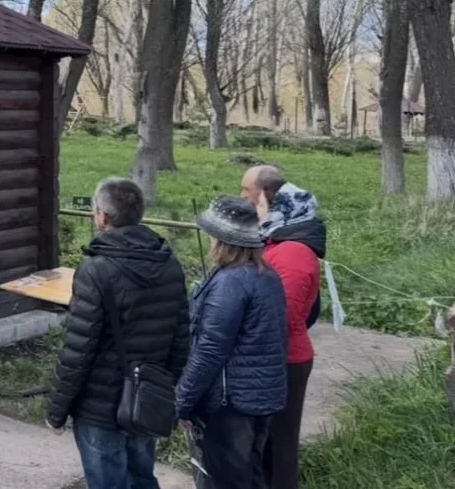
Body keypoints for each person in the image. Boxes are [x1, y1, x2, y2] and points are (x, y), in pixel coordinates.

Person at [45, 178, 190, 489]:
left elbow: (78, 349)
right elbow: (181, 339)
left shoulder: (96, 271)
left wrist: (57, 410)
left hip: (100, 408)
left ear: (103, 217)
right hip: (147, 398)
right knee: (142, 478)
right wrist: (166, 390)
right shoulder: (170, 265)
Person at [178, 197, 288, 489]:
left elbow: (210, 351)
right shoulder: (267, 277)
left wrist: (183, 401)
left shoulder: (230, 283)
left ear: (222, 241)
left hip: (231, 403)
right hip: (262, 397)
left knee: (225, 480)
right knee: (250, 476)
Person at [241, 166, 323, 489]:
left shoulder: (291, 251)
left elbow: (281, 317)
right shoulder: (279, 238)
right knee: (268, 446)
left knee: (280, 447)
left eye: (245, 190)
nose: (241, 197)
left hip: (284, 359)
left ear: (263, 197)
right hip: (276, 357)